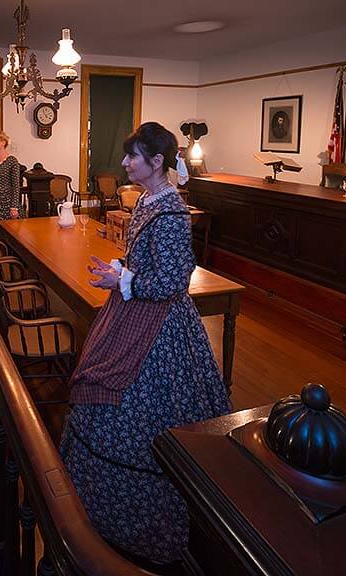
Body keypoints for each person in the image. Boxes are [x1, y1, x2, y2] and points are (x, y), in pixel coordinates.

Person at [60, 121, 230, 566]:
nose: (124, 163)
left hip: (162, 328)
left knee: (140, 405)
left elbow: (173, 280)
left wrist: (125, 279)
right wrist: (120, 269)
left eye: (132, 156)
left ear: (156, 163)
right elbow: (145, 262)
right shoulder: (147, 200)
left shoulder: (171, 212)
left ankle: (146, 523)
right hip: (134, 311)